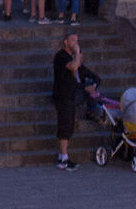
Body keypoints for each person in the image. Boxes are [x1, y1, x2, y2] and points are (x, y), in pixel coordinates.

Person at [50, 30, 85, 170]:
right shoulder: (61, 56)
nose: (75, 43)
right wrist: (77, 52)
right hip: (62, 95)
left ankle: (63, 156)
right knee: (64, 125)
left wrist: (77, 53)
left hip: (71, 94)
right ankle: (63, 158)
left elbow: (79, 65)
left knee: (69, 125)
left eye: (77, 40)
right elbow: (74, 66)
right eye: (73, 40)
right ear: (66, 42)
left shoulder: (72, 56)